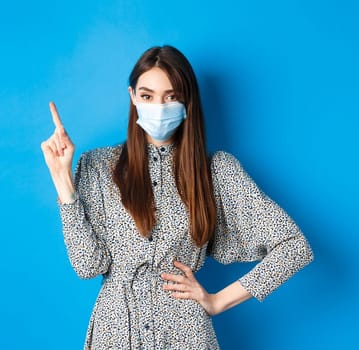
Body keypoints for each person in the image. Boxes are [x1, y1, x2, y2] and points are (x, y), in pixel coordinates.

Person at [40, 45, 314, 349]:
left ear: (187, 101)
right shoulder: (98, 166)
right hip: (116, 333)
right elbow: (88, 266)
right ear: (132, 97)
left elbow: (294, 248)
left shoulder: (215, 172)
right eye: (147, 96)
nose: (159, 106)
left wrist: (218, 301)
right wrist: (63, 181)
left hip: (186, 335)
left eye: (171, 96)